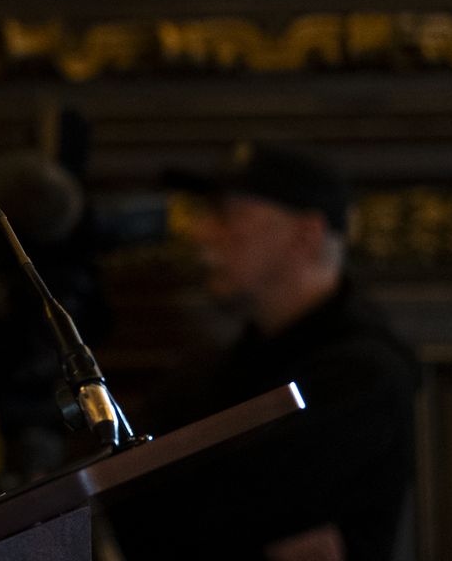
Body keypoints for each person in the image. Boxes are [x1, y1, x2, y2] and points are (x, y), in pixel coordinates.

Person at [107, 143, 418, 561]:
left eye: (228, 215)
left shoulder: (365, 374)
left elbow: (219, 516)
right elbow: (131, 504)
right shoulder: (217, 369)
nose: (200, 233)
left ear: (305, 234)